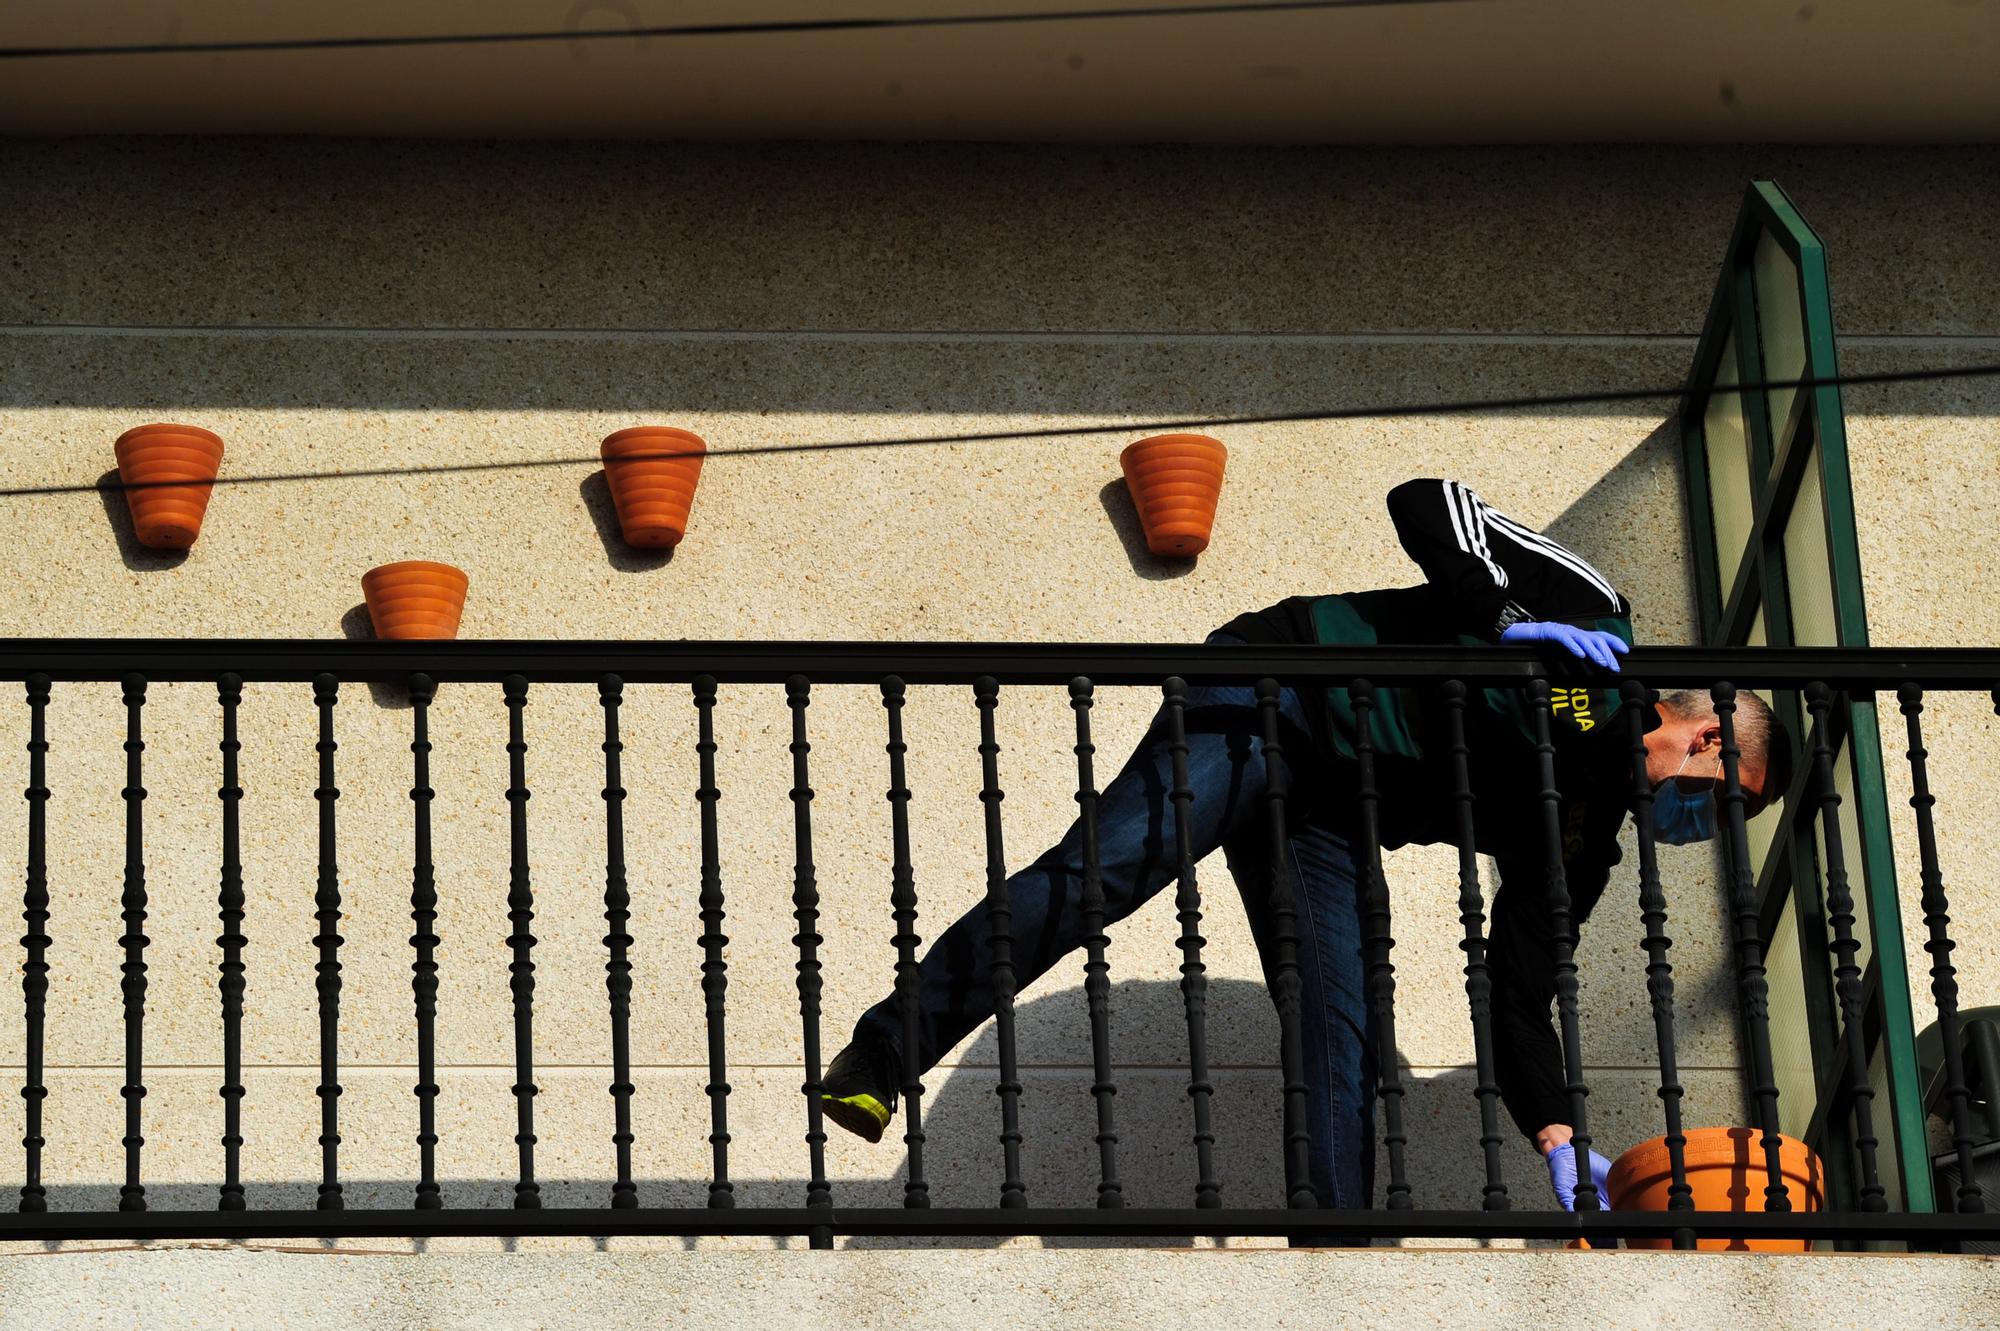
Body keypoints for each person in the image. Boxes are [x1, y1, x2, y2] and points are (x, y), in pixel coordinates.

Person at [819, 477, 1789, 1212]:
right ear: (1706, 736)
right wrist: (1503, 616)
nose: (1701, 825)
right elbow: (1429, 500)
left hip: (1330, 812)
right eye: (1723, 800)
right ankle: (878, 1054)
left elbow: (1515, 991)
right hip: (1266, 699)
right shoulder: (1594, 618)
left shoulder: (1580, 836)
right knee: (1103, 871)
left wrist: (1555, 1132)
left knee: (1343, 1014)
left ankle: (1332, 1264)